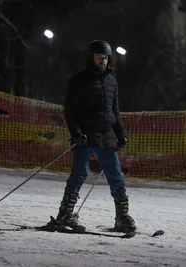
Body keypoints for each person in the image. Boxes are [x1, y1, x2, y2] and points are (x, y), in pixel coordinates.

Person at [53, 40, 136, 233]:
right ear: (91, 58)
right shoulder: (79, 80)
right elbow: (70, 110)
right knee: (79, 173)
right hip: (85, 131)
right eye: (99, 57)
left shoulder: (112, 81)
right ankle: (65, 212)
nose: (103, 61)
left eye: (105, 58)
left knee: (115, 174)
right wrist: (76, 133)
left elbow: (114, 110)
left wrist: (120, 132)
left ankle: (121, 216)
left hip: (106, 133)